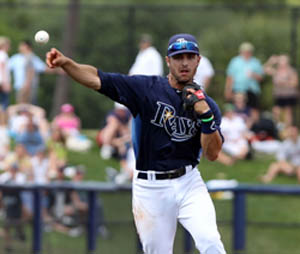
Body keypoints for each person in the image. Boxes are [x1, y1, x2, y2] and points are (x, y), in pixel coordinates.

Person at [45, 33, 227, 254]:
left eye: (190, 56)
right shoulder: (146, 88)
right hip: (151, 187)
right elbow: (97, 79)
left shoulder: (207, 105)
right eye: (178, 57)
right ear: (168, 61)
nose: (185, 62)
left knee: (211, 243)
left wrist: (206, 117)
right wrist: (67, 63)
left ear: (198, 60)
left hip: (189, 182)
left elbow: (213, 154)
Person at [9, 40, 61, 104]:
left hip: (30, 87)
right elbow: (5, 67)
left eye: (21, 45)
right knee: (20, 107)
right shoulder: (16, 58)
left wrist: (59, 70)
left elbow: (43, 68)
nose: (19, 47)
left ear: (27, 46)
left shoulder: (33, 58)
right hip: (19, 87)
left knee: (30, 107)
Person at [224, 42, 264, 128]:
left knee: (254, 111)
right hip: (238, 89)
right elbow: (230, 77)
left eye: (248, 51)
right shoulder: (235, 61)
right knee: (235, 109)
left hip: (252, 89)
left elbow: (261, 78)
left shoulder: (255, 62)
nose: (247, 53)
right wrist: (228, 90)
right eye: (245, 51)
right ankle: (235, 128)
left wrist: (253, 75)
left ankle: (254, 129)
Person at [263, 54, 299, 128]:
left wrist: (284, 82)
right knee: (276, 111)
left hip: (289, 94)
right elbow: (264, 69)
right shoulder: (276, 71)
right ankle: (278, 127)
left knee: (288, 112)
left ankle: (287, 128)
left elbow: (295, 83)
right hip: (279, 94)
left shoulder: (291, 71)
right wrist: (271, 61)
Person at [0, 36, 11, 109]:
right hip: (2, 82)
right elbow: (2, 68)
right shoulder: (3, 54)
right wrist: (5, 82)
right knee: (4, 104)